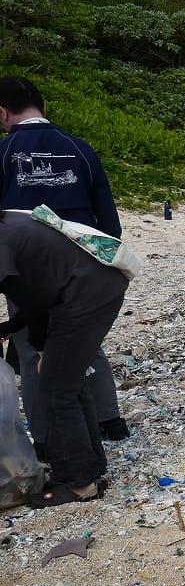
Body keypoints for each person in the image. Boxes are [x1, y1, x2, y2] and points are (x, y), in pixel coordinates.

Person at [0, 74, 130, 445]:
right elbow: (110, 223)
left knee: (31, 351)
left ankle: (46, 439)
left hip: (27, 269)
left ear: (3, 113)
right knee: (83, 341)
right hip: (84, 264)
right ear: (44, 107)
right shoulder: (80, 148)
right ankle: (110, 420)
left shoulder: (4, 152)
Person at [0, 211, 128, 506]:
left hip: (85, 297)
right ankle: (91, 469)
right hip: (94, 285)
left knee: (56, 391)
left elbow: (36, 302)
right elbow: (36, 294)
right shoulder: (10, 222)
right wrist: (13, 328)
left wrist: (40, 348)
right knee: (69, 383)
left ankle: (81, 485)